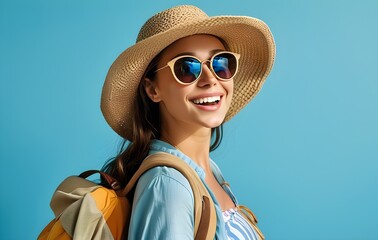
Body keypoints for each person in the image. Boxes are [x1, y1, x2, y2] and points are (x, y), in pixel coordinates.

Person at [100, 5, 275, 240]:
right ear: (152, 89)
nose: (209, 79)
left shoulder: (209, 173)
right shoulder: (169, 185)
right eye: (186, 68)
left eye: (221, 63)